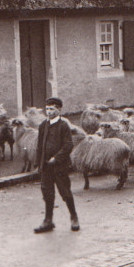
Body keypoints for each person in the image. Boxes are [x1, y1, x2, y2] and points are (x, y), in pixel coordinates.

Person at [33, 97, 79, 233]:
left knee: (65, 192)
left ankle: (74, 217)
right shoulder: (43, 126)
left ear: (59, 110)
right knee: (47, 193)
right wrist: (38, 163)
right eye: (47, 109)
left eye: (52, 109)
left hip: (60, 166)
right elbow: (40, 146)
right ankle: (48, 221)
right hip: (46, 166)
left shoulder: (63, 126)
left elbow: (68, 145)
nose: (49, 112)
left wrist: (57, 158)